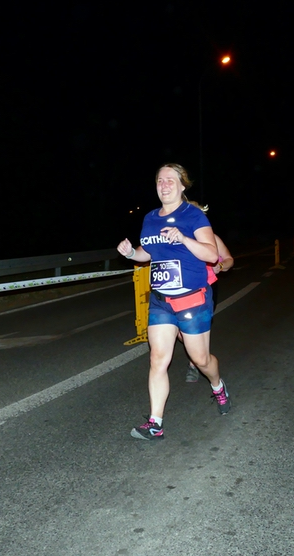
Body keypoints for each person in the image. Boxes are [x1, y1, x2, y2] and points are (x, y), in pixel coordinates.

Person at [116, 163, 231, 441]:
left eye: (170, 180)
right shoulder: (150, 218)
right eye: (160, 180)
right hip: (161, 301)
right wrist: (131, 253)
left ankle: (217, 385)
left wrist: (183, 238)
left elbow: (211, 254)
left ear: (182, 186)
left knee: (200, 359)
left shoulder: (193, 216)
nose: (164, 185)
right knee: (158, 358)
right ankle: (155, 423)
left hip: (192, 300)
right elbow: (148, 253)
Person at [182, 205, 233, 383]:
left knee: (196, 327)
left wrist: (221, 266)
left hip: (206, 289)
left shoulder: (212, 239)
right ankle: (198, 355)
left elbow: (229, 260)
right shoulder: (177, 238)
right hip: (181, 292)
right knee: (180, 331)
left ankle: (194, 364)